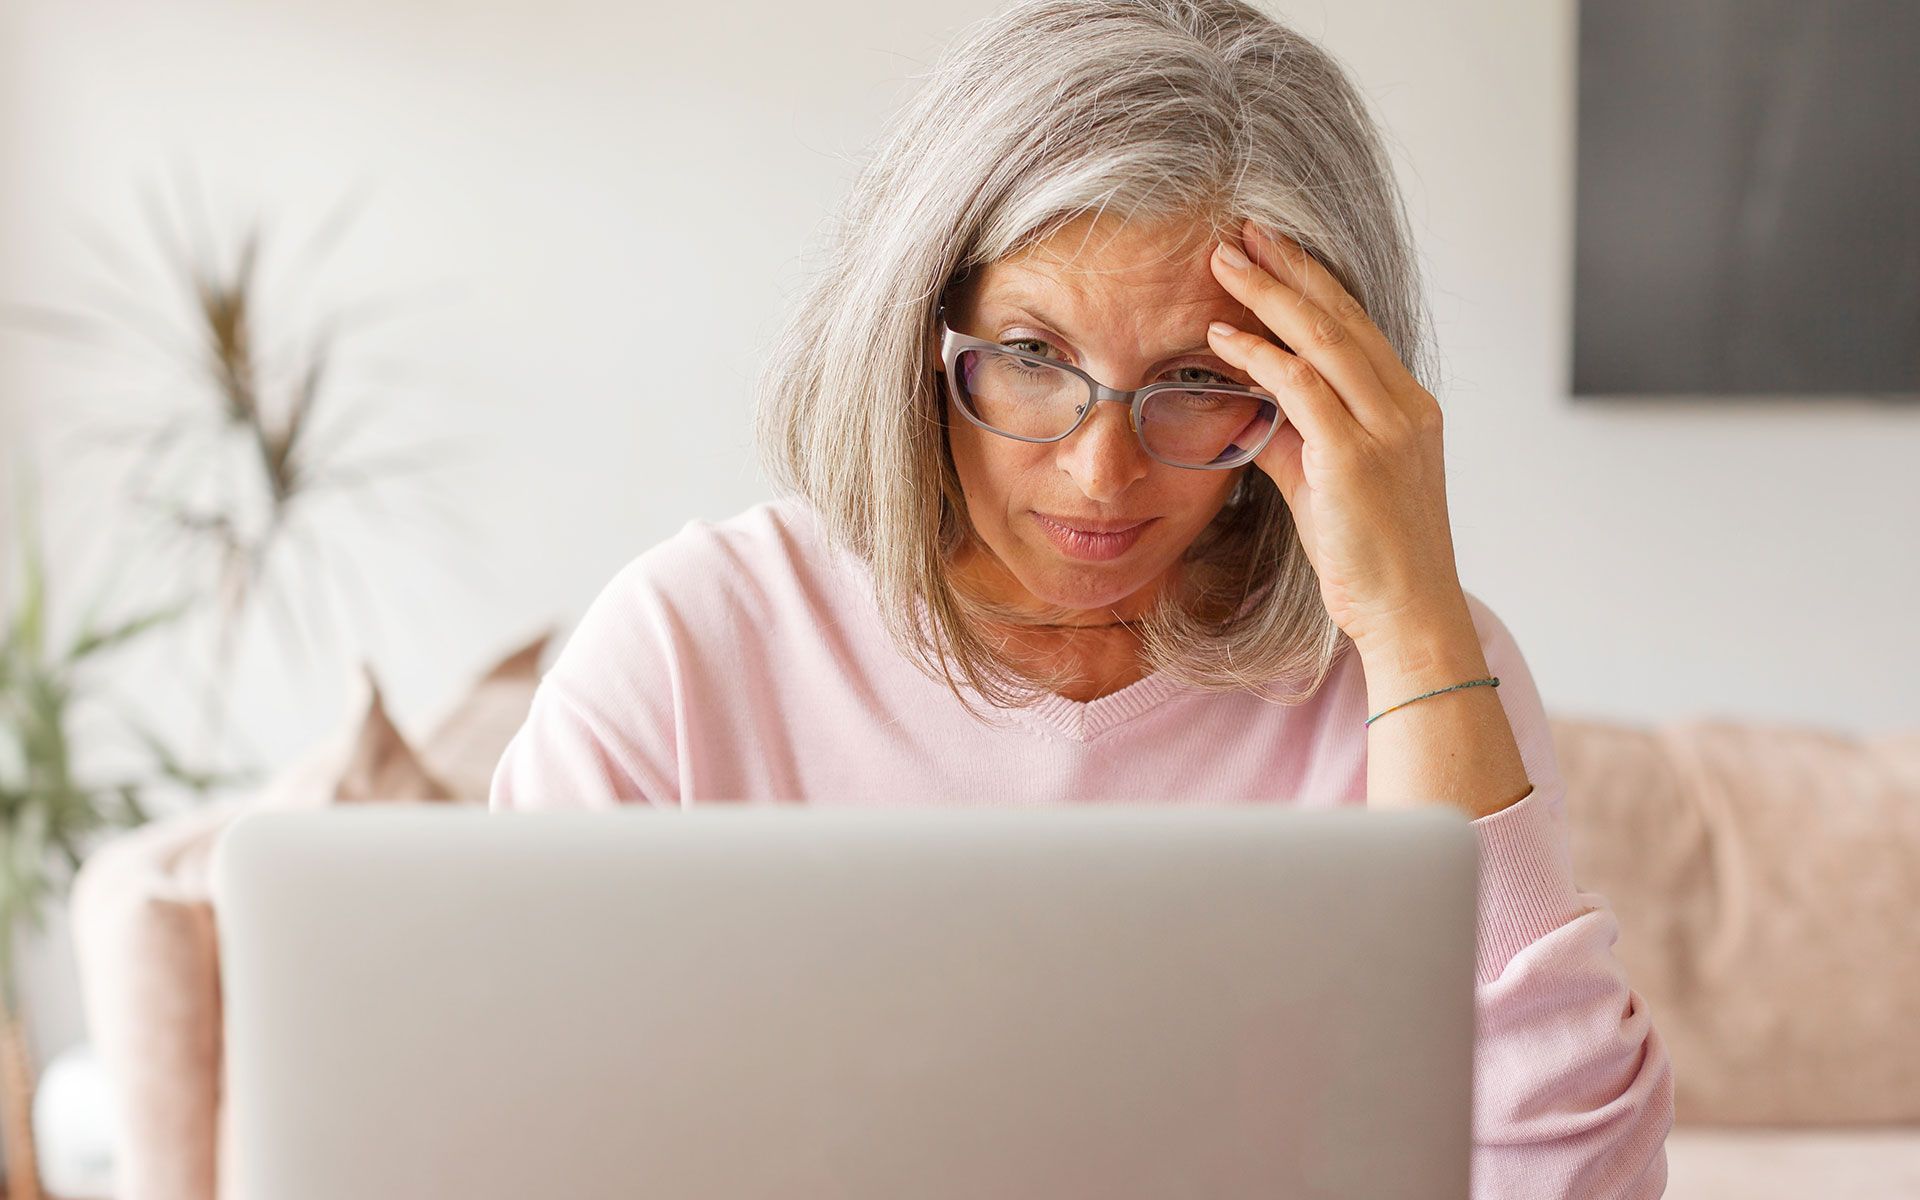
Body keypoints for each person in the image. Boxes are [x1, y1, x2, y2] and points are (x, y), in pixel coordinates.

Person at [490, 0, 1675, 1193]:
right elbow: (505, 1132)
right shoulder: (693, 647)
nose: (1102, 473)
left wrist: (1418, 624)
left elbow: (1569, 1184)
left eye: (1200, 378)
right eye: (1031, 356)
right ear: (917, 332)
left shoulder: (1416, 676)